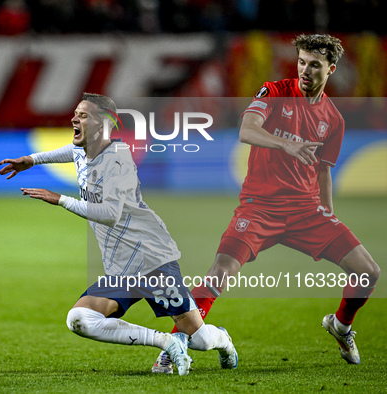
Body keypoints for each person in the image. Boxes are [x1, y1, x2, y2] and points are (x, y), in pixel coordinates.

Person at [152, 33, 380, 371]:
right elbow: (247, 130)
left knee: (368, 272)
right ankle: (175, 344)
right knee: (220, 272)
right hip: (259, 207)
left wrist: (329, 218)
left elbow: (323, 172)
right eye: (302, 62)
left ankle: (342, 326)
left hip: (306, 211)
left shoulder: (333, 119)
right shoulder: (274, 92)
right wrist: (284, 145)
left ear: (330, 69)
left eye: (314, 65)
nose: (305, 70)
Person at [0, 93, 238, 375]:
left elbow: (109, 214)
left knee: (200, 339)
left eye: (83, 115)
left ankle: (222, 339)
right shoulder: (85, 149)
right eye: (75, 113)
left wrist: (60, 199)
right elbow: (69, 151)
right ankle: (165, 341)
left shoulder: (117, 161)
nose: (74, 118)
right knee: (80, 318)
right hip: (122, 269)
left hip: (152, 261)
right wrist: (31, 159)